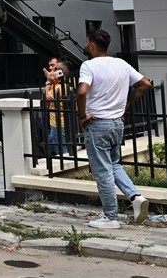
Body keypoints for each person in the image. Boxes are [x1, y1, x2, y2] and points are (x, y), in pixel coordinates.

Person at [77, 29, 151, 229]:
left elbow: (82, 92)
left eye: (87, 42)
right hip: (117, 123)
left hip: (98, 124)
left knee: (103, 171)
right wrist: (126, 104)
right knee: (113, 164)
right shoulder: (121, 64)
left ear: (92, 44)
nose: (85, 45)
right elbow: (145, 84)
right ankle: (135, 197)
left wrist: (82, 116)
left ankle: (111, 218)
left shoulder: (88, 66)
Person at [43, 58, 71, 156]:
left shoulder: (60, 87)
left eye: (55, 68)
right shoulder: (62, 84)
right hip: (55, 122)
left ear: (61, 72)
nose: (52, 70)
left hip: (58, 123)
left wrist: (48, 81)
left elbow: (45, 97)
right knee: (52, 141)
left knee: (61, 149)